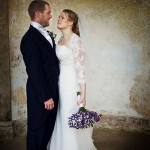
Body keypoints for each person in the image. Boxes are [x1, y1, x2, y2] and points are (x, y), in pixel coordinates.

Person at [47, 9, 97, 150]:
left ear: (70, 22)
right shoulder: (60, 40)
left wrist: (83, 94)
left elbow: (81, 69)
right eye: (59, 17)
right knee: (60, 114)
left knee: (68, 114)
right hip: (59, 82)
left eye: (62, 17)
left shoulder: (76, 40)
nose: (58, 19)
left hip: (70, 83)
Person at [20, 1, 59, 150]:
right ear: (38, 14)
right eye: (48, 12)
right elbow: (34, 70)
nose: (51, 16)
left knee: (47, 133)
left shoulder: (44, 34)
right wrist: (45, 97)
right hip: (41, 96)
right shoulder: (29, 39)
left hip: (52, 92)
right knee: (37, 133)